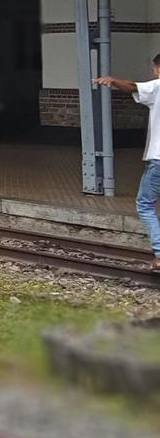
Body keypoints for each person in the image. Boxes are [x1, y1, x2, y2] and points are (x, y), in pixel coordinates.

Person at [95, 54, 160, 273]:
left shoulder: (158, 86)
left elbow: (132, 86)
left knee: (145, 204)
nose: (153, 72)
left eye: (154, 69)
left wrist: (112, 80)